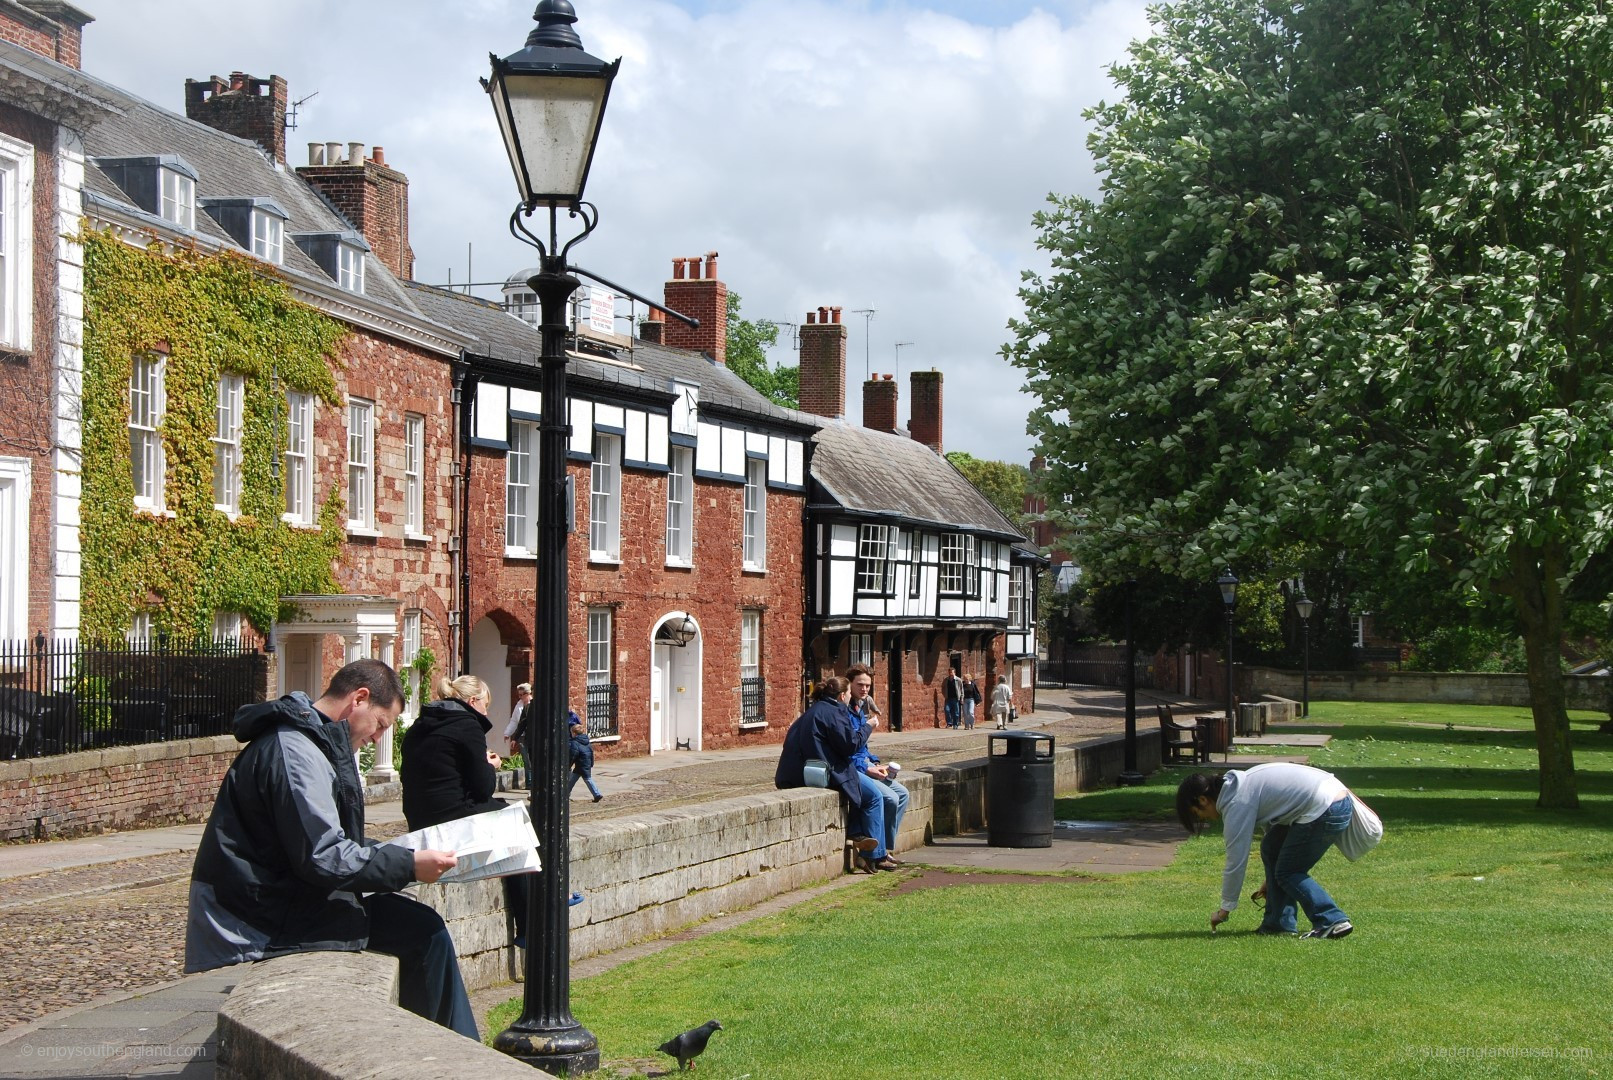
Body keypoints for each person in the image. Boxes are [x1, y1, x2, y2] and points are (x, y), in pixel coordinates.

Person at [185, 659, 478, 1039]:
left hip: (287, 894)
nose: (377, 739)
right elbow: (322, 855)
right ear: (359, 698)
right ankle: (450, 1056)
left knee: (422, 926)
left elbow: (333, 842)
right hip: (262, 912)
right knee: (424, 933)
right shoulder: (296, 751)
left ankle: (448, 1053)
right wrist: (407, 866)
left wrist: (405, 857)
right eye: (381, 725)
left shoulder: (312, 742)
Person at [401, 673, 530, 949]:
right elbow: (482, 789)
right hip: (451, 818)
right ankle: (530, 921)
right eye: (485, 705)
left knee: (510, 817)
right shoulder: (467, 725)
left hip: (419, 817)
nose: (486, 711)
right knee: (520, 820)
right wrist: (490, 765)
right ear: (473, 701)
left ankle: (537, 912)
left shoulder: (419, 726)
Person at [1177, 763, 1357, 939]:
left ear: (1202, 799)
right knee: (1270, 848)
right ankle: (1278, 924)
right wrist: (1269, 878)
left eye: (1196, 813)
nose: (1201, 817)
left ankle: (1332, 920)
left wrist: (1224, 911)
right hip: (1330, 800)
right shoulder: (1239, 787)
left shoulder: (1236, 803)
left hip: (1327, 807)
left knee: (1288, 872)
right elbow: (1273, 828)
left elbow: (1236, 862)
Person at [775, 677, 882, 868]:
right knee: (873, 796)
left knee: (858, 785)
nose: (850, 697)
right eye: (849, 693)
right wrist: (868, 727)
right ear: (842, 696)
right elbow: (850, 745)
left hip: (794, 773)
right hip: (820, 773)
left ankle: (859, 835)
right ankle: (869, 854)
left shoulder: (812, 711)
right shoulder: (834, 712)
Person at [847, 664, 906, 870]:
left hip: (865, 762)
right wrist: (866, 767)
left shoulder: (861, 706)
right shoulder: (845, 710)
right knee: (889, 797)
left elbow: (862, 746)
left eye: (868, 686)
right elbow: (848, 748)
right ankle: (874, 854)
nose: (864, 689)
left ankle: (886, 849)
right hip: (854, 767)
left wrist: (875, 761)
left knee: (903, 793)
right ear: (849, 684)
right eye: (860, 685)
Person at [568, 713, 603, 802]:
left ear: (574, 733)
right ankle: (596, 794)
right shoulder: (586, 741)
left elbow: (573, 754)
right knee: (580, 780)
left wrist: (568, 764)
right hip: (585, 763)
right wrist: (591, 763)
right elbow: (591, 752)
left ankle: (597, 794)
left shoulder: (575, 743)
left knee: (584, 780)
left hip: (580, 765)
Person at [504, 683, 533, 788]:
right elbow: (516, 722)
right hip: (522, 736)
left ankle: (535, 783)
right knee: (526, 759)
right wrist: (508, 733)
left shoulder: (534, 704)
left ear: (528, 693)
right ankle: (529, 784)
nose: (520, 697)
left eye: (522, 695)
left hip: (533, 736)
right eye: (519, 695)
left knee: (533, 759)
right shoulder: (519, 705)